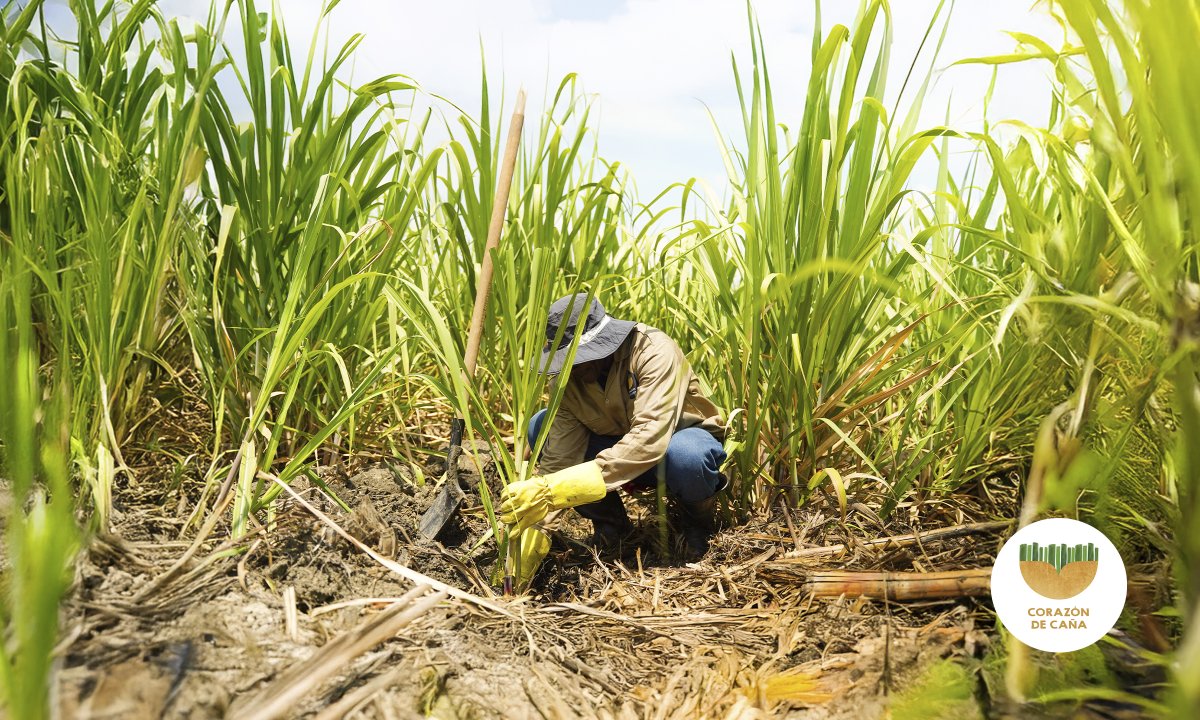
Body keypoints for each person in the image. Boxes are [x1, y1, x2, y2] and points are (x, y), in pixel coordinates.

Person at [498, 293, 728, 559]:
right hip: (614, 452)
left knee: (688, 456)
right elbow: (560, 459)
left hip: (672, 447)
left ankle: (696, 524)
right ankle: (612, 525)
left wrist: (559, 489)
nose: (571, 369)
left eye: (578, 359)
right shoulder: (568, 382)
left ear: (603, 344)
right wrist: (537, 530)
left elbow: (651, 435)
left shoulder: (652, 349)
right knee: (541, 425)